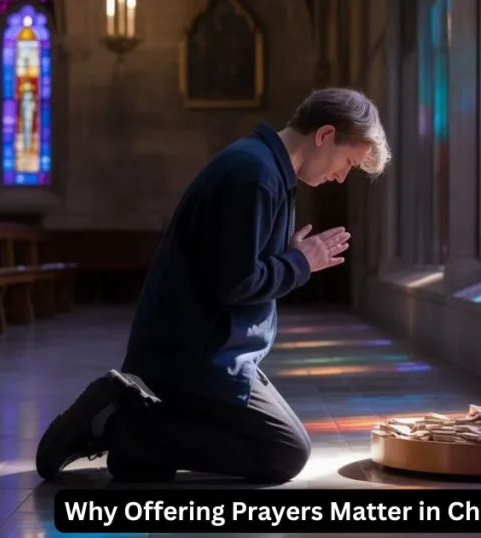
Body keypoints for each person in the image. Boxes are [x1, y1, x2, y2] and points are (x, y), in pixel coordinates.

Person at [35, 88, 391, 484]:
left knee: (278, 441)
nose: (341, 177)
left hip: (217, 349)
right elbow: (236, 285)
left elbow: (238, 265)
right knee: (285, 453)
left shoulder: (266, 169)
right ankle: (122, 427)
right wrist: (300, 262)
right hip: (194, 356)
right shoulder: (254, 175)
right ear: (324, 135)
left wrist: (289, 256)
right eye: (347, 162)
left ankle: (142, 441)